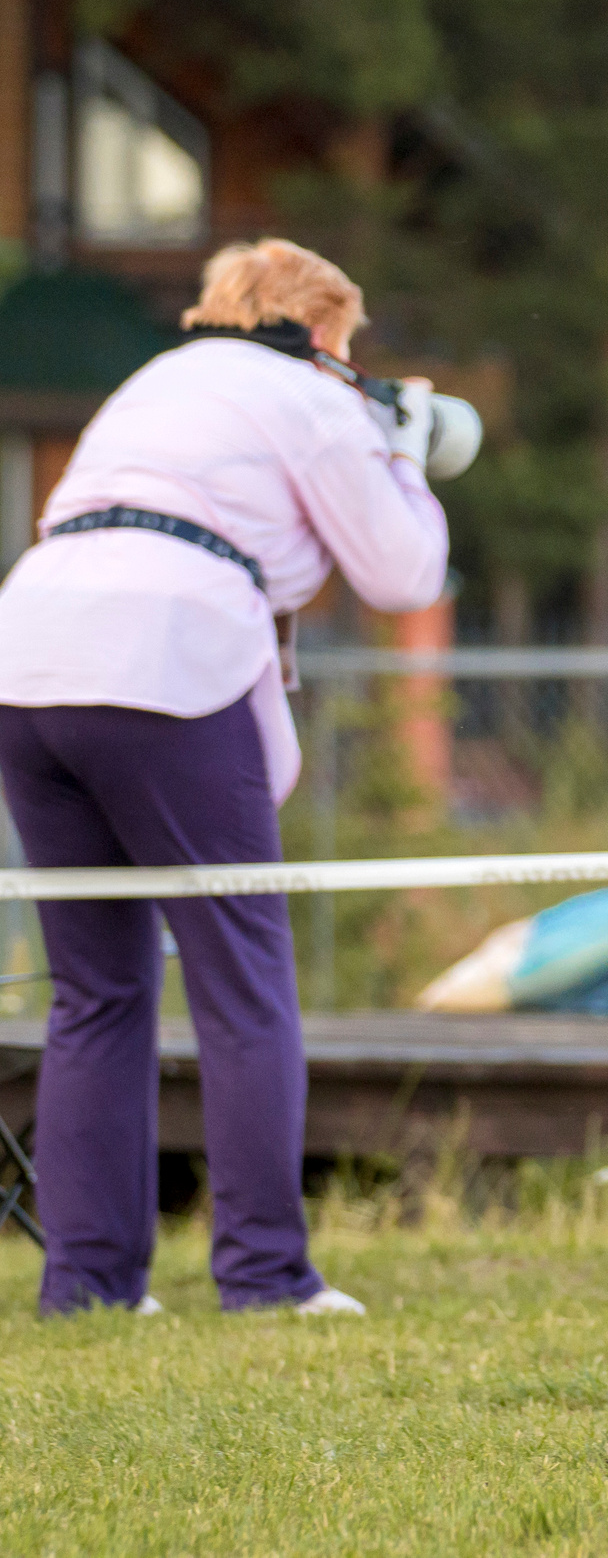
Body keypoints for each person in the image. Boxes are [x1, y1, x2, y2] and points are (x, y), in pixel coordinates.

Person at [0, 238, 453, 1315]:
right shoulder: (308, 392)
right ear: (324, 331)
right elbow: (403, 574)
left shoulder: (155, 378)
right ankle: (263, 1273)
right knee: (244, 987)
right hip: (165, 659)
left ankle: (91, 1285)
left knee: (97, 993)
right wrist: (405, 453)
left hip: (28, 658)